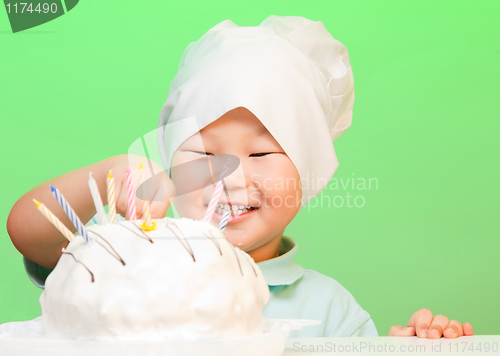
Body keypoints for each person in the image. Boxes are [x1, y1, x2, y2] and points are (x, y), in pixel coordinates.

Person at [7, 15, 473, 339]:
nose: (229, 177)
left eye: (262, 152)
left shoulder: (332, 312)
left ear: (308, 168)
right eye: (205, 153)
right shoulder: (134, 259)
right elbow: (27, 232)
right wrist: (110, 173)